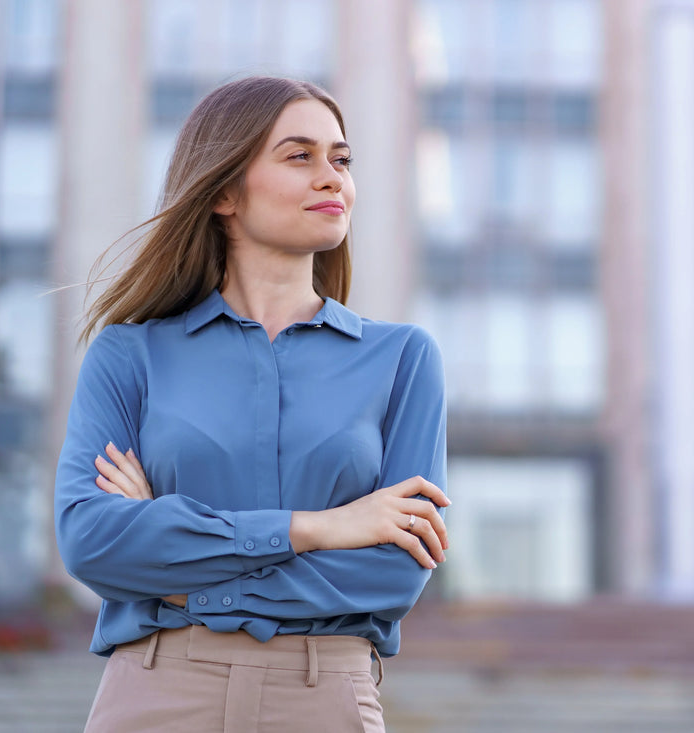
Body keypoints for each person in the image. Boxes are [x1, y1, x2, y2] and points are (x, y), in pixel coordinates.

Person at [54, 75, 450, 733]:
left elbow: (391, 570)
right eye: (301, 156)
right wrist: (320, 526)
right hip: (156, 695)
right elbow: (92, 540)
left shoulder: (404, 359)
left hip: (324, 698)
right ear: (224, 191)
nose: (332, 178)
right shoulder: (131, 355)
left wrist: (179, 575)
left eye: (341, 159)